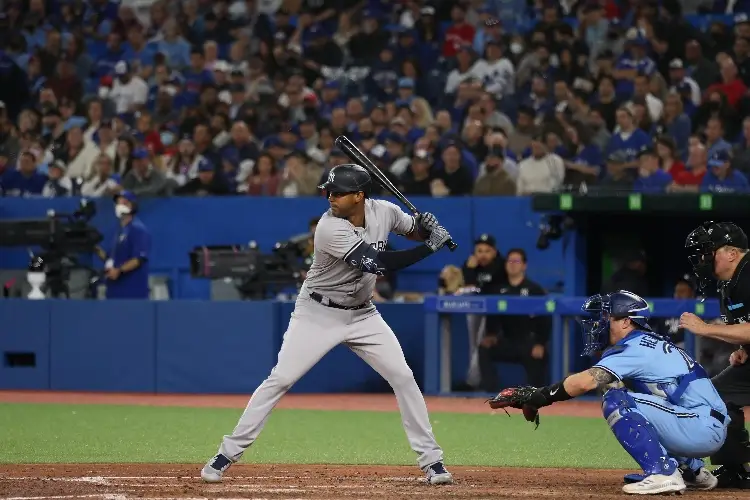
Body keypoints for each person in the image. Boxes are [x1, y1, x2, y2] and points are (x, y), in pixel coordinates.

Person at [201, 164, 455, 485]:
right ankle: (226, 454)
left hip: (364, 314)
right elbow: (379, 263)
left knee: (403, 377)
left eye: (338, 192)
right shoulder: (328, 227)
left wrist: (424, 226)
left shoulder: (386, 211)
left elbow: (412, 229)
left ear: (360, 196)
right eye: (329, 191)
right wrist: (430, 246)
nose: (330, 197)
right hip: (317, 313)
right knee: (280, 378)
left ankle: (433, 462)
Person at [489, 290, 727, 495]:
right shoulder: (646, 342)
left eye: (607, 316)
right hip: (702, 423)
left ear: (626, 322)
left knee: (616, 399)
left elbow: (584, 382)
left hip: (700, 427)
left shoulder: (634, 347)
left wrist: (539, 396)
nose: (600, 322)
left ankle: (663, 473)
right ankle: (693, 472)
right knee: (620, 387)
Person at [679, 221, 750, 488]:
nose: (703, 259)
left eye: (709, 252)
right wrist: (744, 348)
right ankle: (736, 468)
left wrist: (706, 328)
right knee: (714, 396)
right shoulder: (728, 282)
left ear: (731, 253)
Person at [95, 191, 151, 299]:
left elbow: (138, 259)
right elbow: (111, 258)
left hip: (131, 293)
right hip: (115, 292)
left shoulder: (138, 229)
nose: (120, 206)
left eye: (124, 202)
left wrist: (119, 271)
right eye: (118, 203)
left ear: (133, 206)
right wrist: (95, 248)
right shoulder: (119, 231)